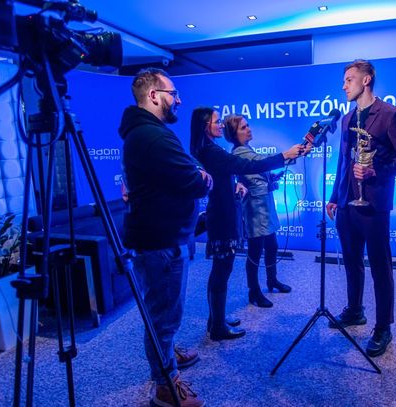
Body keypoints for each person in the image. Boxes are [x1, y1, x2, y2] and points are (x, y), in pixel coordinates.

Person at [119, 68, 211, 407]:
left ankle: (167, 355)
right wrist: (203, 178)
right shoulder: (153, 137)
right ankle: (165, 385)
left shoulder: (149, 133)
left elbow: (183, 174)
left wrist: (195, 174)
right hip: (160, 242)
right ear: (154, 96)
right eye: (174, 93)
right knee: (163, 316)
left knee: (165, 311)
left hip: (162, 237)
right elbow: (195, 182)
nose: (179, 100)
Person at [326, 60, 396, 357]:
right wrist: (334, 196)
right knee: (351, 261)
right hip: (346, 203)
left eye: (349, 80)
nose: (344, 86)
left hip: (374, 204)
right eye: (344, 80)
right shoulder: (346, 119)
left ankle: (383, 327)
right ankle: (355, 310)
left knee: (380, 266)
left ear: (366, 80)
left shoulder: (391, 114)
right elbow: (343, 162)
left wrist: (376, 171)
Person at [190, 106, 304, 340]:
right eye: (216, 121)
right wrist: (284, 155)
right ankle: (218, 327)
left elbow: (227, 176)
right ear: (205, 126)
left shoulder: (209, 149)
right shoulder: (212, 151)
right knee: (222, 271)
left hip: (224, 213)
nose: (220, 125)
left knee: (221, 270)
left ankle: (216, 320)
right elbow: (248, 166)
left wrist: (235, 185)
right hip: (222, 217)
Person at [224, 114, 300, 308]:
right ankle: (254, 291)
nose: (248, 129)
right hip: (255, 208)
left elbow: (258, 172)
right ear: (233, 134)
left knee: (272, 246)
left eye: (248, 125)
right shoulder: (239, 152)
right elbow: (262, 162)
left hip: (264, 205)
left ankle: (272, 280)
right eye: (243, 127)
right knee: (255, 251)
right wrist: (287, 154)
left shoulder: (247, 148)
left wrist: (270, 180)